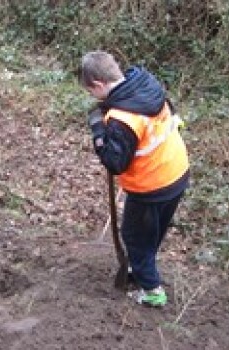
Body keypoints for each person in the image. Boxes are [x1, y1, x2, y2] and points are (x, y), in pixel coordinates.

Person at [79, 51, 190, 307]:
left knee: (134, 235)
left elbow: (115, 162)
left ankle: (152, 290)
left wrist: (97, 129)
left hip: (152, 185)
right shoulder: (145, 84)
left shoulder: (122, 119)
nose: (92, 97)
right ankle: (141, 269)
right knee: (152, 232)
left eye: (90, 91)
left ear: (98, 84)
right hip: (177, 170)